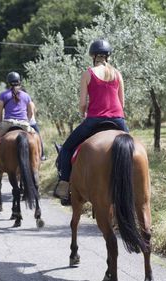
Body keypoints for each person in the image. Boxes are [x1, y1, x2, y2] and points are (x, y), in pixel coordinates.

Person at [55, 39, 129, 200]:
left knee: (66, 149)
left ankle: (64, 185)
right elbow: (122, 103)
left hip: (95, 119)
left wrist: (83, 113)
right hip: (117, 119)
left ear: (93, 56)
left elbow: (82, 103)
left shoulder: (88, 74)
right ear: (108, 56)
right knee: (131, 149)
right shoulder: (118, 74)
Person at [0, 71, 35, 170]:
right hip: (23, 123)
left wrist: (0, 123)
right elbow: (31, 111)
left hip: (8, 123)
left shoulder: (3, 95)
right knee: (36, 137)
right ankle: (40, 156)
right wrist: (27, 121)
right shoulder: (26, 95)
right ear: (19, 81)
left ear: (8, 82)